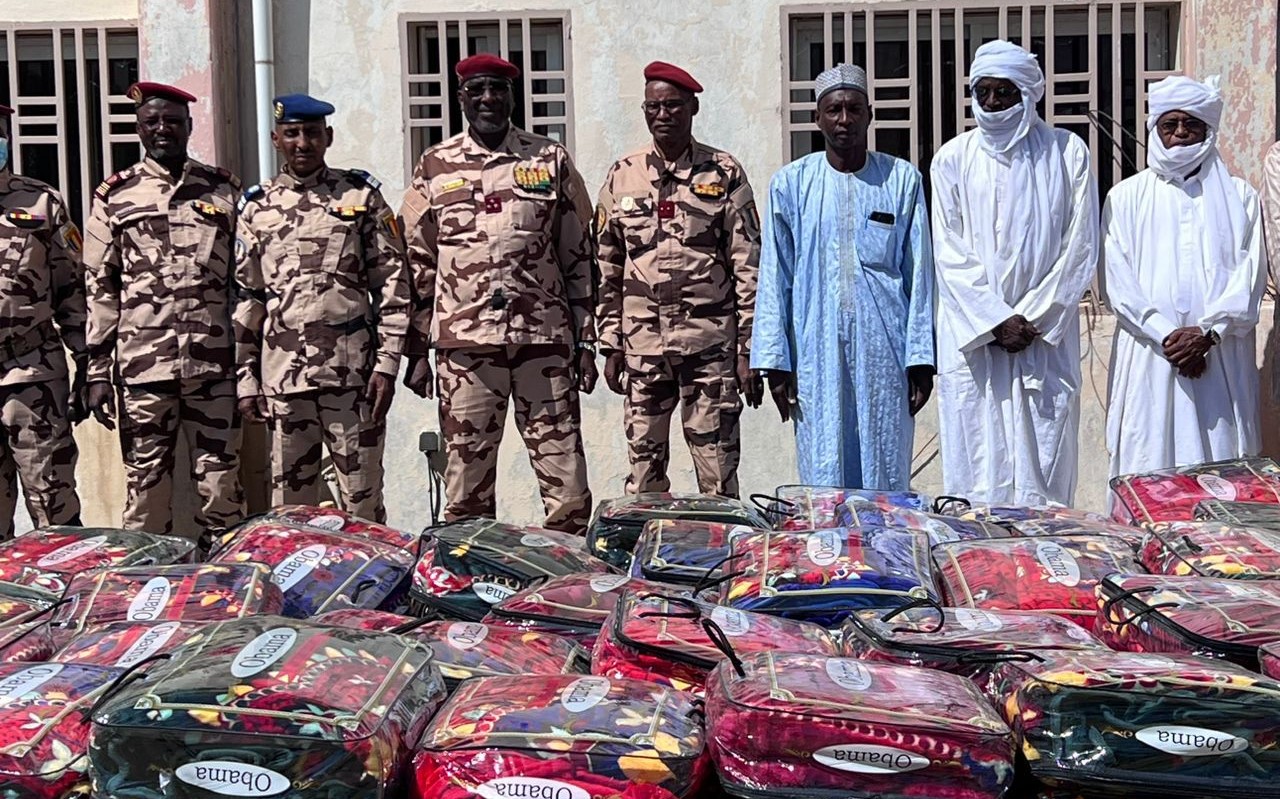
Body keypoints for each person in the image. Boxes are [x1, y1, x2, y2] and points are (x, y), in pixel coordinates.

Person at [400, 54, 597, 535]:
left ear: (513, 96)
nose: (488, 99)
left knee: (568, 489)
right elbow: (417, 263)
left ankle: (569, 574)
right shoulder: (435, 165)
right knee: (465, 490)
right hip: (466, 350)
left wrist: (587, 341)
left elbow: (578, 255)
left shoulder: (549, 159)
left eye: (498, 90)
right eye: (477, 90)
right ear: (461, 98)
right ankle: (468, 573)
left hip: (542, 344)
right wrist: (417, 350)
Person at [931, 40, 1098, 507]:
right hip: (976, 343)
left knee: (1043, 474)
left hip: (1042, 343)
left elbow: (1081, 246)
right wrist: (994, 320)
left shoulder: (1067, 153)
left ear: (1027, 94)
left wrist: (1032, 319)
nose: (991, 103)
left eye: (1003, 92)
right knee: (976, 471)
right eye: (982, 92)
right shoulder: (952, 158)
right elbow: (948, 251)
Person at [751, 63, 935, 490]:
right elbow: (775, 277)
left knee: (884, 467)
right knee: (823, 468)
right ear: (817, 117)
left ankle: (885, 537)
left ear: (870, 115)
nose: (844, 119)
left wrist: (921, 358)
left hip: (885, 354)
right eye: (834, 110)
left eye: (854, 109)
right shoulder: (791, 185)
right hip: (815, 353)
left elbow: (920, 275)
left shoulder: (901, 180)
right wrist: (775, 363)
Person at [233, 94, 411, 523]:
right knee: (290, 512)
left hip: (352, 379)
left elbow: (392, 284)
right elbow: (246, 298)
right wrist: (246, 379)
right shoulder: (257, 207)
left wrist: (387, 365)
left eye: (312, 133)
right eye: (292, 133)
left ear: (327, 137)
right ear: (276, 139)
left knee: (362, 505)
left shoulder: (360, 197)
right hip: (284, 380)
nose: (302, 143)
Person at [84, 82, 244, 539]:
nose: (162, 130)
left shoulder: (222, 190)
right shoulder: (116, 196)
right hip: (143, 368)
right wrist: (97, 371)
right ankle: (145, 572)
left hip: (214, 365)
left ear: (189, 126)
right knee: (145, 488)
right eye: (151, 121)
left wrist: (248, 363)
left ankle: (227, 572)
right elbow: (100, 288)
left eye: (172, 121)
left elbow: (245, 281)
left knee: (221, 486)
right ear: (138, 129)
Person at [596, 61, 762, 498]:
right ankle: (647, 543)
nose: (663, 115)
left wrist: (748, 348)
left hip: (710, 348)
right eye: (653, 107)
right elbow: (607, 266)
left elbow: (748, 264)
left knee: (717, 474)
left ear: (693, 108)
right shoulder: (622, 174)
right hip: (643, 348)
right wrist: (610, 344)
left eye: (673, 105)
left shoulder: (722, 172)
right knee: (643, 477)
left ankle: (720, 542)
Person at [1102, 74, 1265, 479]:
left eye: (1192, 123)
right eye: (1169, 124)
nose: (1180, 132)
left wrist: (1209, 335)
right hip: (1150, 358)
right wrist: (1167, 337)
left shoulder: (1241, 197)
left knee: (1222, 472)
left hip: (1220, 359)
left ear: (1208, 130)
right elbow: (1117, 282)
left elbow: (1250, 278)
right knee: (1148, 469)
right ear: (1155, 129)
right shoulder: (1126, 197)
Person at [0, 104, 87, 538]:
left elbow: (73, 289)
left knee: (54, 506)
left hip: (32, 373)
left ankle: (65, 582)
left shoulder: (40, 201)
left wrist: (88, 364)